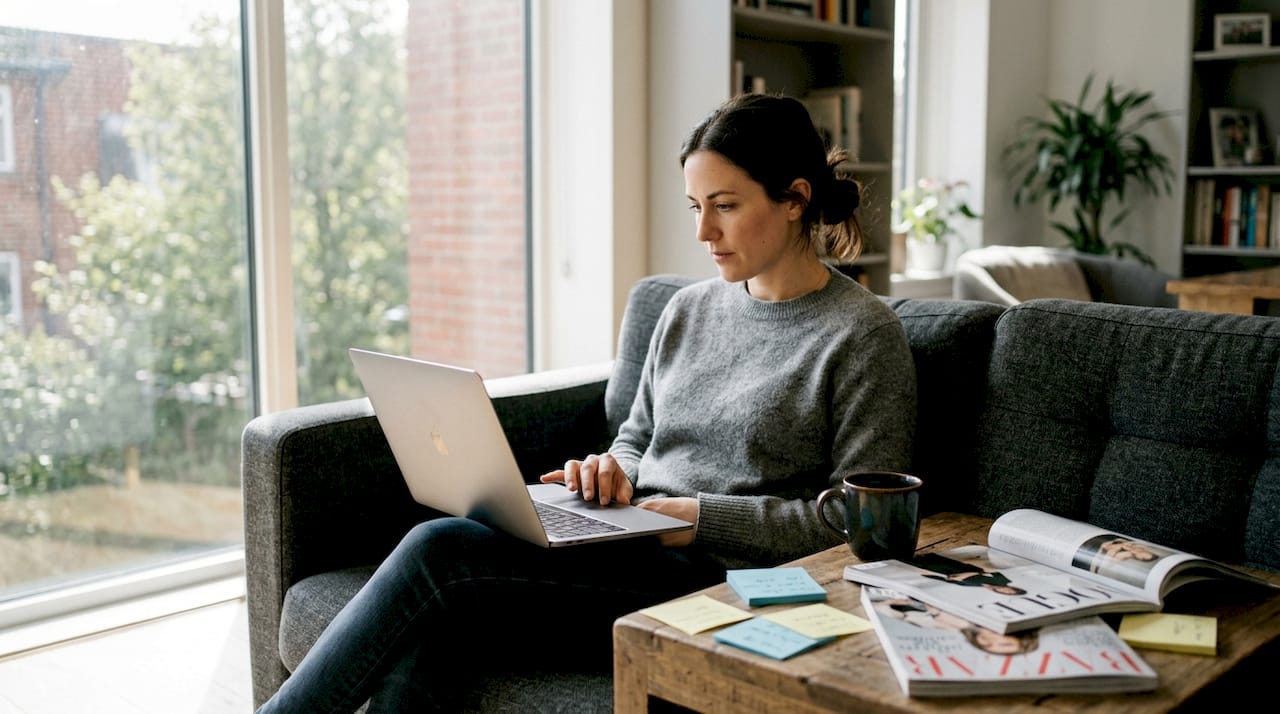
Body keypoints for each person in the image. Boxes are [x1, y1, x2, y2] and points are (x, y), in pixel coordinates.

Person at [255, 92, 918, 712]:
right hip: (629, 544)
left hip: (720, 582)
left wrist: (699, 518)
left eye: (725, 205)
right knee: (439, 626)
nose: (703, 232)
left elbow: (853, 524)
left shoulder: (861, 336)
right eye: (694, 207)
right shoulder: (686, 309)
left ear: (796, 199)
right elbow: (635, 435)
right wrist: (614, 470)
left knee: (440, 552)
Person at [875, 596, 1040, 656]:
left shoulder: (944, 628)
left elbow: (885, 612)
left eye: (989, 647)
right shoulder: (999, 611)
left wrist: (891, 603)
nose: (987, 642)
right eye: (1003, 643)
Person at [909, 552, 1028, 596]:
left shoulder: (980, 590)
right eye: (1010, 590)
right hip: (960, 569)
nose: (1005, 590)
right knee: (932, 559)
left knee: (919, 565)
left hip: (946, 575)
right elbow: (991, 572)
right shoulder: (1004, 581)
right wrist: (966, 574)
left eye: (1006, 593)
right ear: (1013, 588)